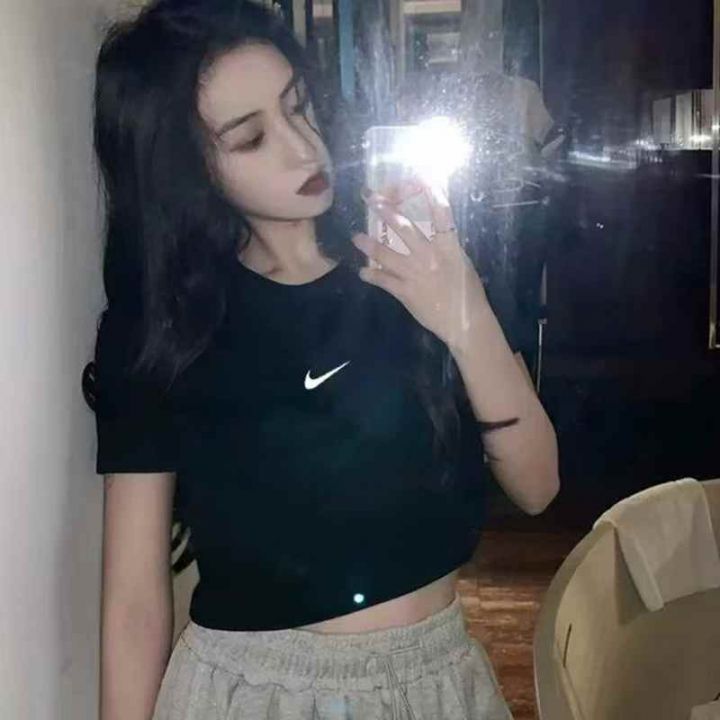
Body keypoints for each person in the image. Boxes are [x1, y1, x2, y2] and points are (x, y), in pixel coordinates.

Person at [88, 1, 559, 718]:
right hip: (256, 695)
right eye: (251, 137)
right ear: (189, 170)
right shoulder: (166, 329)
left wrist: (466, 316)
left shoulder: (416, 267)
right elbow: (132, 603)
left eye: (298, 105)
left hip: (438, 682)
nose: (303, 147)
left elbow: (539, 487)